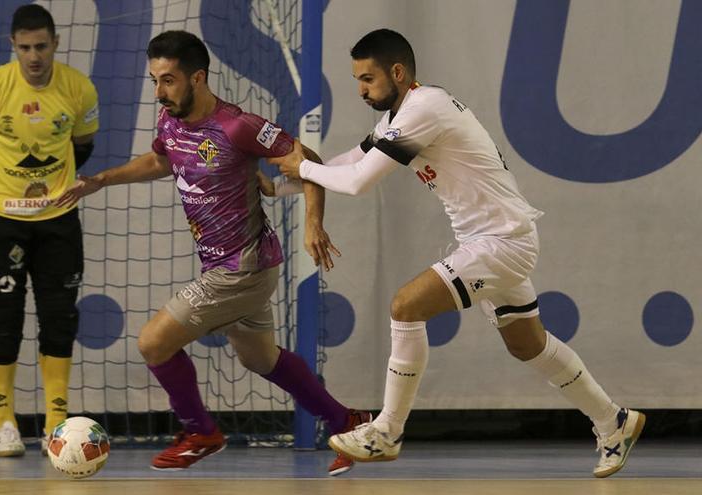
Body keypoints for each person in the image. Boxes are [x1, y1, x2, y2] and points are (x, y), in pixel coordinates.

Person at [268, 28, 644, 479]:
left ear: (398, 72)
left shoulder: (425, 108)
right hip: (496, 241)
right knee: (529, 344)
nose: (361, 90)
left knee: (405, 307)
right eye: (356, 80)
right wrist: (279, 185)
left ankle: (387, 431)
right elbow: (346, 163)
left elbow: (358, 182)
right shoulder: (397, 119)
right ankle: (614, 421)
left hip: (500, 242)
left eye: (367, 79)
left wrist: (303, 166)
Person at [55, 30, 369, 476]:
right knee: (260, 358)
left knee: (153, 342)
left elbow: (306, 157)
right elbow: (161, 162)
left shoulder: (236, 125)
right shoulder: (170, 120)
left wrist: (314, 222)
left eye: (169, 80)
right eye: (154, 81)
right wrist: (100, 180)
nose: (160, 92)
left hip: (239, 268)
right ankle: (347, 422)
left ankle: (200, 432)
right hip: (236, 264)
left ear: (197, 77)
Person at [0, 4, 99, 457]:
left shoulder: (79, 89)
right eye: (26, 47)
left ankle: (56, 422)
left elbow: (83, 147)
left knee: (59, 318)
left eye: (42, 46)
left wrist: (47, 193)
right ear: (13, 46)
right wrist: (5, 191)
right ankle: (5, 422)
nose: (34, 56)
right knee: (3, 320)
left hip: (58, 222)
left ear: (55, 44)